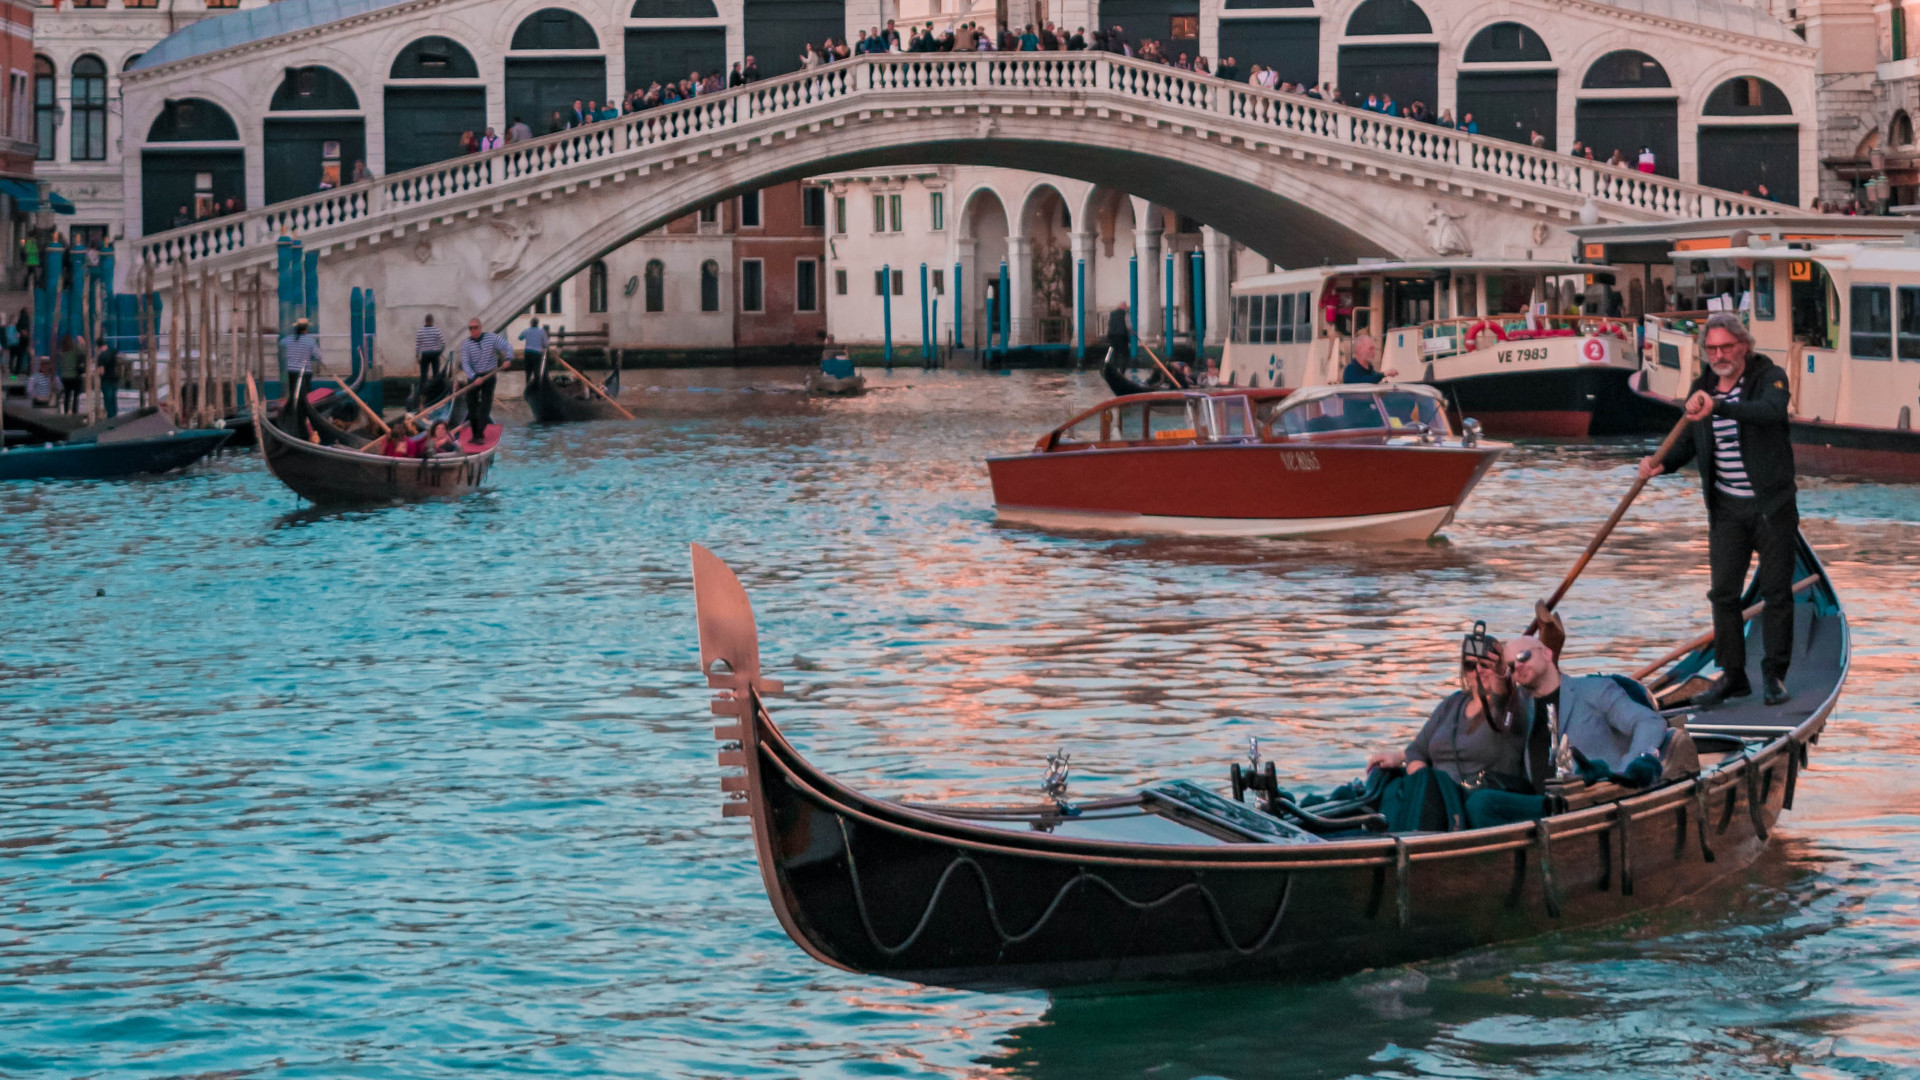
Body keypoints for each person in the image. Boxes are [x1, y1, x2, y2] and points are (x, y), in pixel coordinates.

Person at [1637, 313, 1798, 707]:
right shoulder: (1702, 388)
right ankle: (1733, 675)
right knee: (1723, 594)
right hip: (1727, 509)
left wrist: (1719, 407)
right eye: (1712, 348)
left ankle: (1774, 674)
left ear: (1743, 345)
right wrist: (1662, 463)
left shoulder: (1770, 377)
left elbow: (1770, 412)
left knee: (1777, 593)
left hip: (1771, 507)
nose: (1720, 355)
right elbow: (1691, 438)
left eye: (1727, 347)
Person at [1460, 634, 1669, 827]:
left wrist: (1629, 768)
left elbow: (1649, 723)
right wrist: (1498, 677)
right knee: (1468, 795)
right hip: (1544, 804)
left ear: (1547, 653)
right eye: (1511, 666)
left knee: (1482, 803)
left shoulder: (1594, 690)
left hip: (1593, 799)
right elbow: (1493, 724)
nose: (1519, 666)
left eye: (1524, 656)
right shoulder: (1520, 706)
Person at [457, 317, 512, 435]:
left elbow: (508, 346)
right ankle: (475, 432)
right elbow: (465, 364)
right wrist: (473, 377)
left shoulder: (491, 338)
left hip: (489, 375)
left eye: (475, 327)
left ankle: (480, 433)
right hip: (474, 376)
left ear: (480, 328)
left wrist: (508, 358)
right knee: (471, 404)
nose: (473, 330)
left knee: (485, 406)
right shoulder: (466, 344)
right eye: (470, 328)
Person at [281, 316, 321, 405]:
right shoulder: (310, 341)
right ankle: (303, 412)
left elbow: (281, 343)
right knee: (305, 395)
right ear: (306, 329)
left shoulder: (288, 339)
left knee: (293, 393)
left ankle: (293, 409)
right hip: (305, 371)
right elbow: (319, 356)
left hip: (291, 371)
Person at [415, 313, 446, 390]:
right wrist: (440, 352)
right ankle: (437, 390)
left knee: (424, 374)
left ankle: (422, 391)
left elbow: (417, 345)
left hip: (425, 354)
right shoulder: (436, 330)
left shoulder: (420, 331)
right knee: (436, 373)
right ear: (432, 321)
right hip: (435, 354)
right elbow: (443, 343)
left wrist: (417, 356)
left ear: (425, 321)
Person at [57, 334, 85, 414]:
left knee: (67, 395)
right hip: (74, 376)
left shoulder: (62, 351)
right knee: (76, 396)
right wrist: (82, 344)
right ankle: (74, 411)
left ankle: (66, 412)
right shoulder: (75, 349)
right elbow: (83, 354)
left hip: (65, 377)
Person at [96, 341, 121, 418]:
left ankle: (110, 419)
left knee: (108, 401)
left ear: (98, 347)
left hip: (106, 381)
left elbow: (101, 372)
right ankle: (115, 417)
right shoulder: (113, 351)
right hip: (114, 379)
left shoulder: (101, 356)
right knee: (113, 400)